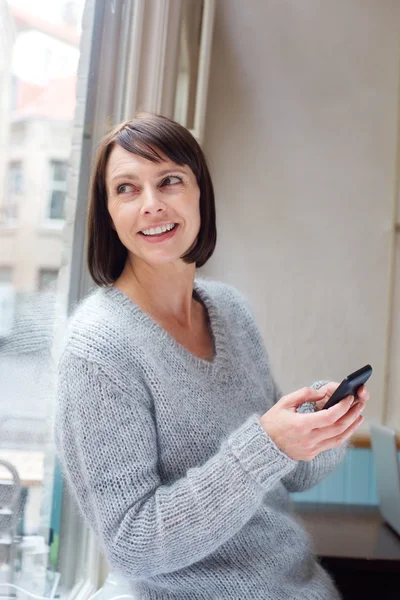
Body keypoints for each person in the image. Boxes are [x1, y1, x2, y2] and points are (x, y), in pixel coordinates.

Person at [54, 113, 370, 600]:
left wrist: (322, 423)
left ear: (200, 192)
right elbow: (131, 544)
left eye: (170, 180)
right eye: (126, 189)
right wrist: (267, 446)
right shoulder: (99, 348)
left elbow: (289, 473)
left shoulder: (229, 310)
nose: (152, 205)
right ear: (108, 212)